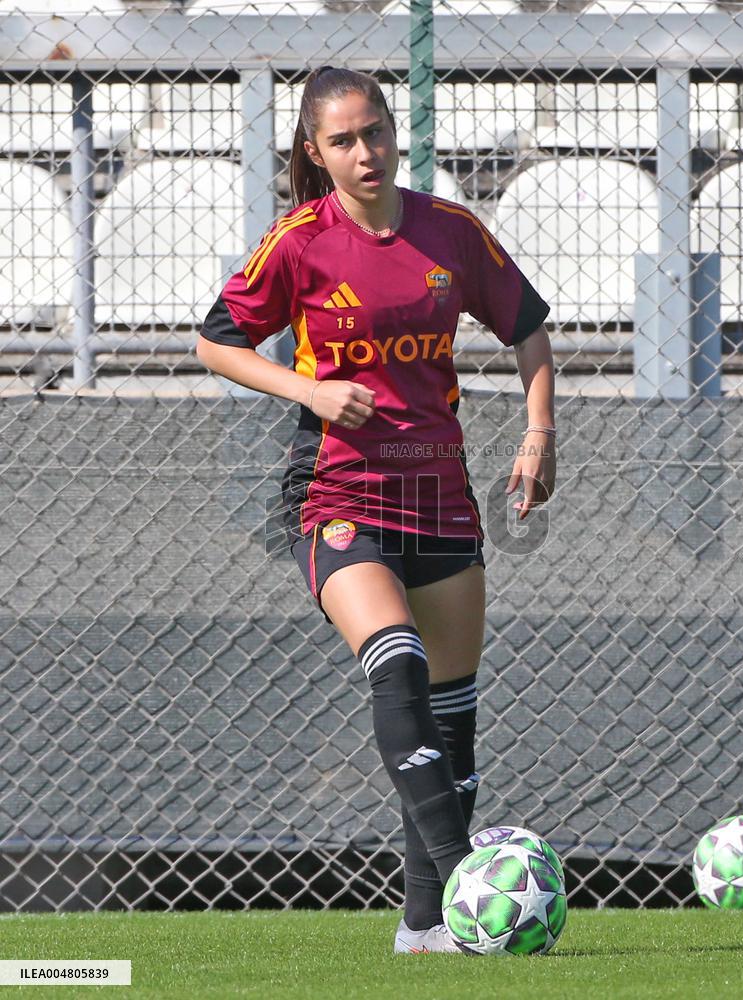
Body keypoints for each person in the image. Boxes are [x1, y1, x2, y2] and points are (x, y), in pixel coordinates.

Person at [196, 66, 556, 954]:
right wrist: (308, 393)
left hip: (439, 493)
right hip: (336, 493)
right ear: (315, 154)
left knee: (452, 714)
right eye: (344, 140)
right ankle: (472, 878)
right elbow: (213, 340)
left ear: (396, 133)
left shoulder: (450, 230)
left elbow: (527, 330)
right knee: (393, 665)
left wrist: (540, 432)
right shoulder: (298, 242)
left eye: (377, 132)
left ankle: (426, 928)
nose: (366, 153)